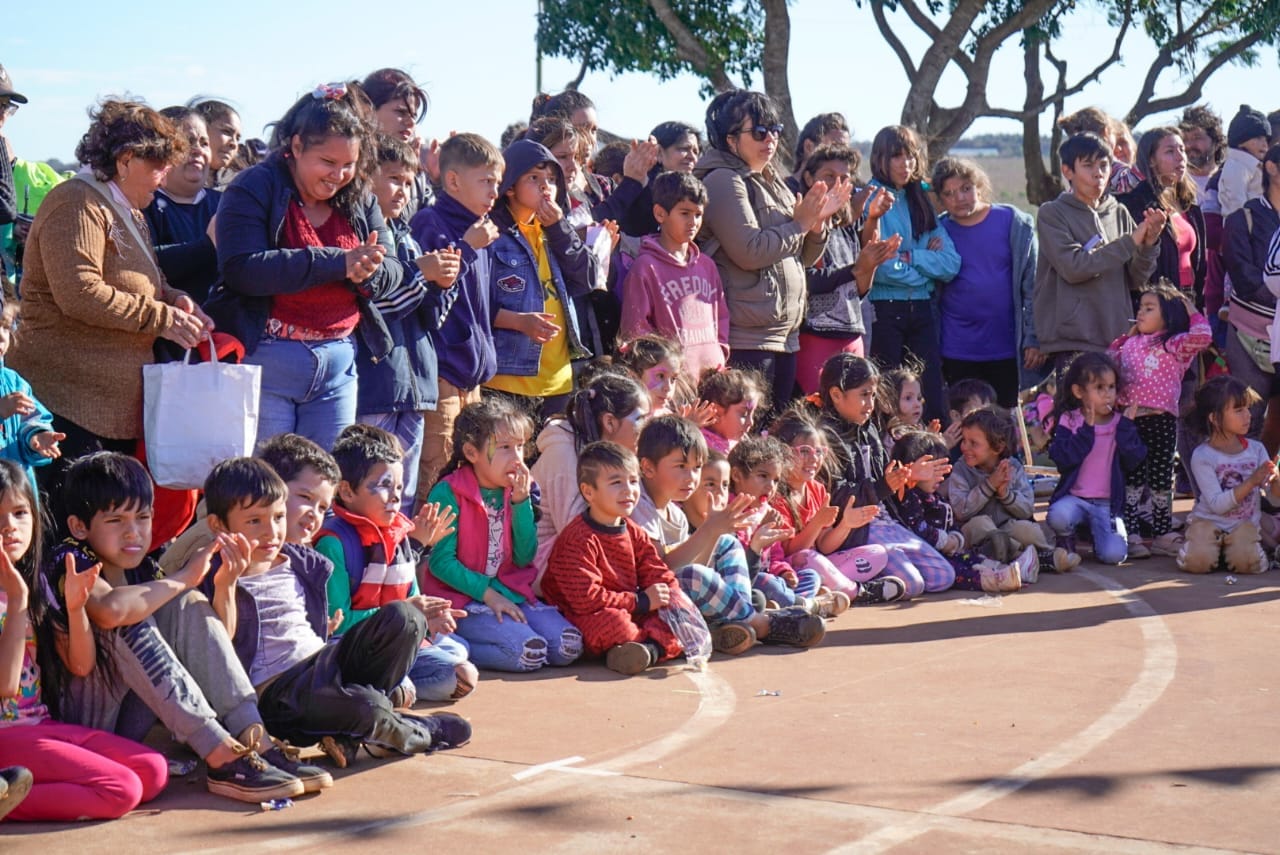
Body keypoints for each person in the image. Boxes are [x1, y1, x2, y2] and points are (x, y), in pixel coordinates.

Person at [50, 452, 328, 802]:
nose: (133, 532)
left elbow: (215, 642)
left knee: (186, 602)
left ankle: (253, 735)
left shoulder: (144, 569)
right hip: (82, 718)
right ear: (80, 527)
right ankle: (220, 755)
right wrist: (184, 578)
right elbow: (108, 610)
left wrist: (224, 584)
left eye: (142, 517)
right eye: (116, 520)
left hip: (128, 719)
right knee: (131, 619)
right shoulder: (70, 558)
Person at [8, 100, 213, 524]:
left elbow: (147, 279)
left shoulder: (127, 210)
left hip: (111, 410)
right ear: (126, 160)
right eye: (159, 165)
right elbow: (80, 292)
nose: (166, 176)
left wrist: (174, 299)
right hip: (67, 405)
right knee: (72, 528)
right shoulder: (76, 203)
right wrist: (163, 318)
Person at [196, 457, 471, 769]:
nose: (271, 532)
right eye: (254, 521)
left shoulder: (300, 561)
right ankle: (422, 732)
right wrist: (226, 584)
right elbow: (222, 645)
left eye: (277, 517)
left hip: (324, 662)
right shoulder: (212, 574)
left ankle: (351, 732)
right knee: (370, 707)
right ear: (219, 525)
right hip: (281, 694)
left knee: (405, 618)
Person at [207, 82, 400, 451]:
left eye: (349, 165)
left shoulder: (360, 197)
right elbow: (241, 269)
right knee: (272, 490)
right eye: (327, 162)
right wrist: (337, 262)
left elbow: (393, 268)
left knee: (322, 488)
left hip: (339, 364)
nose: (338, 175)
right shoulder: (253, 187)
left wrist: (370, 271)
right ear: (295, 147)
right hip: (266, 359)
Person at [0, 458, 169, 822]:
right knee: (120, 789)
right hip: (4, 735)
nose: (9, 527)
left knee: (151, 771)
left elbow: (81, 666)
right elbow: (5, 685)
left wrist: (76, 610)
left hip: (37, 726)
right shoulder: (18, 596)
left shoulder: (35, 583)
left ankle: (8, 791)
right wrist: (16, 605)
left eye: (19, 513)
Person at [695, 89, 847, 416]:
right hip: (747, 338)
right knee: (749, 443)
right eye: (760, 132)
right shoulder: (723, 180)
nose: (771, 140)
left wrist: (817, 226)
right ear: (731, 140)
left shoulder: (773, 180)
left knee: (777, 437)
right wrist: (801, 224)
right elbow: (749, 251)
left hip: (784, 336)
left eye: (775, 131)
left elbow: (801, 257)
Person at [314, 425, 477, 704]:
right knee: (402, 691)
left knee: (464, 673)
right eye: (384, 486)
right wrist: (402, 614)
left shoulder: (400, 535)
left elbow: (411, 598)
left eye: (399, 487)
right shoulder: (334, 543)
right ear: (347, 491)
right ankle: (382, 689)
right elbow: (338, 624)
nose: (395, 497)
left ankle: (391, 687)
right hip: (355, 651)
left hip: (400, 648)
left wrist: (429, 619)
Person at [633, 416, 826, 650]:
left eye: (696, 468)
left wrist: (714, 534)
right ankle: (760, 623)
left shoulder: (675, 514)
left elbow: (697, 566)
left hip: (678, 597)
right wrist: (708, 530)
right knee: (697, 574)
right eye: (681, 467)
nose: (692, 477)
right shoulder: (640, 508)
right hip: (648, 602)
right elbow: (661, 573)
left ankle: (738, 620)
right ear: (647, 468)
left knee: (726, 542)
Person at [423, 398, 583, 672]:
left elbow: (524, 557)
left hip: (511, 591)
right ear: (472, 452)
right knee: (526, 652)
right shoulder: (448, 492)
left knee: (569, 646)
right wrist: (488, 595)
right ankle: (453, 644)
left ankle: (499, 634)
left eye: (520, 447)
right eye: (506, 448)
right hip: (464, 599)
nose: (517, 458)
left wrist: (521, 504)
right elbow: (440, 562)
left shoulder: (520, 489)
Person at [357, 135, 459, 513]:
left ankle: (397, 567)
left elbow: (431, 318)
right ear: (367, 180)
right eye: (394, 179)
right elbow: (376, 304)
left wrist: (444, 284)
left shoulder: (408, 237)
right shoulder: (361, 239)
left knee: (405, 494)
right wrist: (422, 275)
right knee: (371, 488)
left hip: (417, 385)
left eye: (409, 180)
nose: (403, 190)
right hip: (378, 383)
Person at [409, 133, 503, 498]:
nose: (494, 192)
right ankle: (426, 554)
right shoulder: (430, 223)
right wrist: (466, 247)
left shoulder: (482, 232)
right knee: (435, 476)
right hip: (443, 380)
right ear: (452, 181)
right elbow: (433, 295)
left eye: (497, 182)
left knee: (470, 481)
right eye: (485, 181)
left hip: (473, 382)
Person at [815, 354, 955, 598]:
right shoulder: (824, 436)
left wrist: (910, 475)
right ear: (837, 395)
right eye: (863, 394)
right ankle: (854, 579)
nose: (870, 403)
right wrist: (882, 487)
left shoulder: (868, 429)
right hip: (856, 528)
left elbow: (887, 479)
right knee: (913, 585)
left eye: (873, 394)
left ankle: (879, 565)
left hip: (886, 522)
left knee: (943, 576)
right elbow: (835, 494)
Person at [541, 441, 685, 675]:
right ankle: (656, 647)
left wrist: (669, 591)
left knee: (677, 608)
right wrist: (640, 602)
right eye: (616, 482)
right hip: (584, 614)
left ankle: (646, 650)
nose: (628, 490)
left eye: (633, 481)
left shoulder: (632, 530)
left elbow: (654, 567)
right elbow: (586, 600)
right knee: (613, 624)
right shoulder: (578, 539)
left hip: (631, 604)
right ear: (589, 492)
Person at [1032, 133, 1162, 375]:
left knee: (1112, 412)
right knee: (1077, 412)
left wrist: (1148, 244)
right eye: (1088, 165)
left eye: (1104, 165)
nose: (1098, 173)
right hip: (1074, 340)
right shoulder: (1053, 214)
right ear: (1068, 171)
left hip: (1117, 338)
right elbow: (1074, 267)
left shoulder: (1119, 212)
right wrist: (1131, 241)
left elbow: (1135, 280)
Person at [484, 138, 594, 420]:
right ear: (509, 187)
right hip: (507, 379)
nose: (546, 186)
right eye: (534, 178)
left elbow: (588, 277)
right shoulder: (490, 235)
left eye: (551, 179)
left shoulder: (555, 229)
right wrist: (519, 322)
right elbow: (475, 304)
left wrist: (559, 229)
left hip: (558, 380)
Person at [865, 125, 960, 424]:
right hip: (884, 313)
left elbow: (950, 263)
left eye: (911, 156)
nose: (905, 164)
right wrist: (925, 271)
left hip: (922, 311)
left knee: (930, 396)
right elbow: (878, 267)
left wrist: (910, 257)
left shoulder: (921, 201)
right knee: (889, 401)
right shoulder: (868, 200)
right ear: (880, 158)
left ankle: (936, 463)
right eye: (897, 156)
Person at [1108, 283, 1211, 556]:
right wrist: (1123, 339)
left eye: (1149, 308)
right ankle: (1131, 533)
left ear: (1169, 315)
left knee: (1161, 477)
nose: (1140, 313)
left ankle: (1163, 532)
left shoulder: (1173, 343)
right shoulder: (1129, 343)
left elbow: (1202, 337)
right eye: (1140, 307)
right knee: (1133, 477)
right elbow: (1109, 361)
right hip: (1130, 421)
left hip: (1162, 420)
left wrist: (1190, 310)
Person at [766, 406, 905, 603]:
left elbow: (825, 544)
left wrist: (846, 525)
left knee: (878, 553)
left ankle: (829, 590)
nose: (814, 459)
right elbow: (791, 552)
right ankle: (859, 592)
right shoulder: (776, 495)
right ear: (783, 452)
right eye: (804, 451)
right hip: (794, 568)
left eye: (819, 451)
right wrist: (816, 523)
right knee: (810, 558)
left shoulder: (817, 489)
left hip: (821, 565)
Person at [932, 157, 1042, 407]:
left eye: (965, 189)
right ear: (940, 198)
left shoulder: (1014, 223)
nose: (959, 198)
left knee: (1003, 425)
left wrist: (1034, 338)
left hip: (1005, 347)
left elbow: (1033, 286)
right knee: (965, 424)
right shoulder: (937, 231)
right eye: (949, 194)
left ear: (978, 187)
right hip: (957, 348)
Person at [529, 370, 650, 585]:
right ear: (610, 422)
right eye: (641, 419)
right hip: (543, 568)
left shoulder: (612, 455)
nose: (646, 429)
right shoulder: (563, 453)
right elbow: (574, 536)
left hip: (588, 555)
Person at [795, 143, 898, 393]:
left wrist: (870, 259)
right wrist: (855, 269)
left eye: (844, 178)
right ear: (809, 178)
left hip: (852, 335)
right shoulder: (799, 224)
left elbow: (860, 289)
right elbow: (806, 281)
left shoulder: (847, 227)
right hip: (814, 337)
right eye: (829, 177)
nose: (837, 184)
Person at [891, 429, 1037, 592]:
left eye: (943, 470)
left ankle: (1006, 569)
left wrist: (955, 538)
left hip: (948, 550)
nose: (941, 476)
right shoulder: (908, 498)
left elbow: (951, 523)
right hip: (926, 555)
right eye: (934, 470)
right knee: (958, 570)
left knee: (972, 558)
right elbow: (918, 529)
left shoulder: (934, 497)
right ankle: (993, 580)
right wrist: (946, 541)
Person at [619, 171, 728, 380]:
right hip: (672, 385)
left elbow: (721, 316)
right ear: (660, 214)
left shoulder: (707, 265)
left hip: (712, 379)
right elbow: (636, 331)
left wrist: (720, 352)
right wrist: (660, 374)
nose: (693, 222)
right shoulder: (645, 268)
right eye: (685, 213)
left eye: (698, 214)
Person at [1045, 352, 1147, 565]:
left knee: (1115, 555)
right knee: (1058, 516)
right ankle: (1067, 537)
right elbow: (1063, 459)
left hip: (1106, 504)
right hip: (1075, 499)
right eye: (1099, 388)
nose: (1107, 395)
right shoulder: (1069, 419)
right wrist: (1086, 431)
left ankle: (1094, 533)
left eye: (1111, 387)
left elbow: (1134, 460)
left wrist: (1127, 430)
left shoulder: (1121, 422)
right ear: (1078, 391)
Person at [1177, 375, 1277, 574]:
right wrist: (1252, 481)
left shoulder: (1256, 450)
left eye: (1247, 408)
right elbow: (1217, 505)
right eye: (1239, 410)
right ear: (1214, 418)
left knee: (1248, 564)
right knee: (1198, 562)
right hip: (1208, 522)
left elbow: (1274, 498)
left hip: (1245, 525)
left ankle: (1235, 550)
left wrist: (1276, 479)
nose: (1248, 415)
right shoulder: (1203, 455)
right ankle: (1202, 546)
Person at [1223, 144, 1280, 453]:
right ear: (1271, 168)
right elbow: (1244, 276)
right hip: (1248, 329)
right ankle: (1241, 491)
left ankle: (1269, 487)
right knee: (1247, 413)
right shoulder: (1241, 218)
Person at [943, 407, 1049, 564]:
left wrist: (1005, 494)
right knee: (980, 525)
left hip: (1007, 527)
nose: (965, 447)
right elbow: (960, 511)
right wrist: (989, 485)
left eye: (974, 443)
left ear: (998, 447)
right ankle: (1022, 556)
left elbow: (1027, 509)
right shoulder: (960, 470)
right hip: (977, 533)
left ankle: (1044, 555)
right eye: (964, 440)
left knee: (1027, 530)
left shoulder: (1013, 467)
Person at [143, 106, 221, 305]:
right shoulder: (142, 204)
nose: (197, 150)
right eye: (187, 141)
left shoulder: (226, 204)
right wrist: (207, 246)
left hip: (225, 327)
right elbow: (142, 263)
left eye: (204, 143)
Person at [1116, 128, 1206, 300]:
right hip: (1157, 306)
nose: (1180, 157)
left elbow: (1198, 265)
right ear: (1151, 160)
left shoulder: (1189, 207)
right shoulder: (1135, 205)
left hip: (1189, 300)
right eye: (1170, 151)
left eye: (1182, 149)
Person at [0, 302, 63, 492]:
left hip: (17, 495)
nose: (2, 336)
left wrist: (37, 437)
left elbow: (33, 418)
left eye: (5, 327)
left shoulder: (13, 382)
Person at [362, 68, 436, 222]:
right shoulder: (345, 166)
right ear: (368, 110)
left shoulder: (416, 174)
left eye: (414, 116)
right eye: (400, 113)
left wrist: (439, 181)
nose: (410, 123)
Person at [618, 120, 702, 237]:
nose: (692, 157)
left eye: (695, 152)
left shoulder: (691, 192)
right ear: (659, 153)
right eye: (684, 149)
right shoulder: (642, 189)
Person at [614, 335, 688, 418]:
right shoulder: (629, 421)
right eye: (660, 376)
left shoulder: (667, 415)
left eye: (673, 379)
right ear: (633, 378)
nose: (668, 388)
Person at [697, 366, 766, 454]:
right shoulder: (700, 445)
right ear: (716, 412)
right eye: (744, 414)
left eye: (752, 414)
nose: (751, 422)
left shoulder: (740, 444)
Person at [1219, 105, 1270, 218]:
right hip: (1243, 230)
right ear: (1241, 140)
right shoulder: (1236, 166)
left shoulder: (1257, 167)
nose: (1265, 144)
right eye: (1258, 138)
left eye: (1266, 139)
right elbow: (1236, 204)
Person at [787, 112, 851, 192]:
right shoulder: (782, 192)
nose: (840, 154)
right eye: (834, 147)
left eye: (845, 150)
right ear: (808, 147)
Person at [189, 99, 242, 190]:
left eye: (237, 138)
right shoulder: (167, 181)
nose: (234, 144)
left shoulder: (239, 186)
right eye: (226, 132)